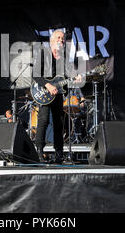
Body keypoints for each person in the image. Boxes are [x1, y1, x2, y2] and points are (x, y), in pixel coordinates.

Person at [32, 30, 82, 163]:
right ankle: (39, 152)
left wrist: (74, 80)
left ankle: (59, 154)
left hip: (58, 95)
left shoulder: (64, 59)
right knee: (43, 121)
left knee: (59, 124)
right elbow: (35, 74)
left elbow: (64, 81)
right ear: (52, 41)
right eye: (59, 38)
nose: (61, 40)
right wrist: (47, 85)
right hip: (44, 93)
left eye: (63, 38)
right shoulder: (44, 53)